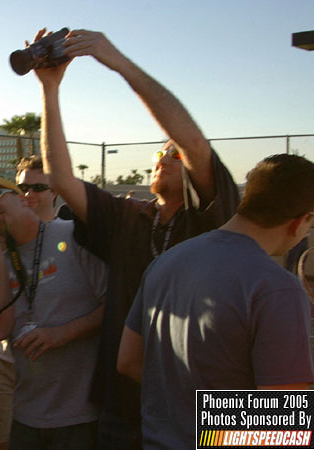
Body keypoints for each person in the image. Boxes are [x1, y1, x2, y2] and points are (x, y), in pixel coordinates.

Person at [34, 28, 240, 448]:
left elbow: (195, 143)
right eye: (159, 153)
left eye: (174, 154)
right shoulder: (129, 217)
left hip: (196, 409)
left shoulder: (209, 219)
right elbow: (60, 180)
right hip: (122, 407)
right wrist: (50, 89)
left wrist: (117, 61)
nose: (165, 156)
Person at [118, 154, 314, 449]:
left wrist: (185, 410)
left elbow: (128, 362)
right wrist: (207, 426)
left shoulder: (165, 263)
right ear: (300, 221)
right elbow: (283, 426)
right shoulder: (277, 288)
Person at [0, 175, 107, 450]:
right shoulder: (0, 260)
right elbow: (1, 330)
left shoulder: (72, 234)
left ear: (22, 199)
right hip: (26, 416)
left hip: (80, 415)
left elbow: (116, 303)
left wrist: (62, 334)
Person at [0, 156, 59, 450]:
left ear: (55, 192)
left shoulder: (71, 237)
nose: (29, 195)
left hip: (50, 368)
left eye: (39, 187)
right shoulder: (0, 237)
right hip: (3, 360)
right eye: (23, 187)